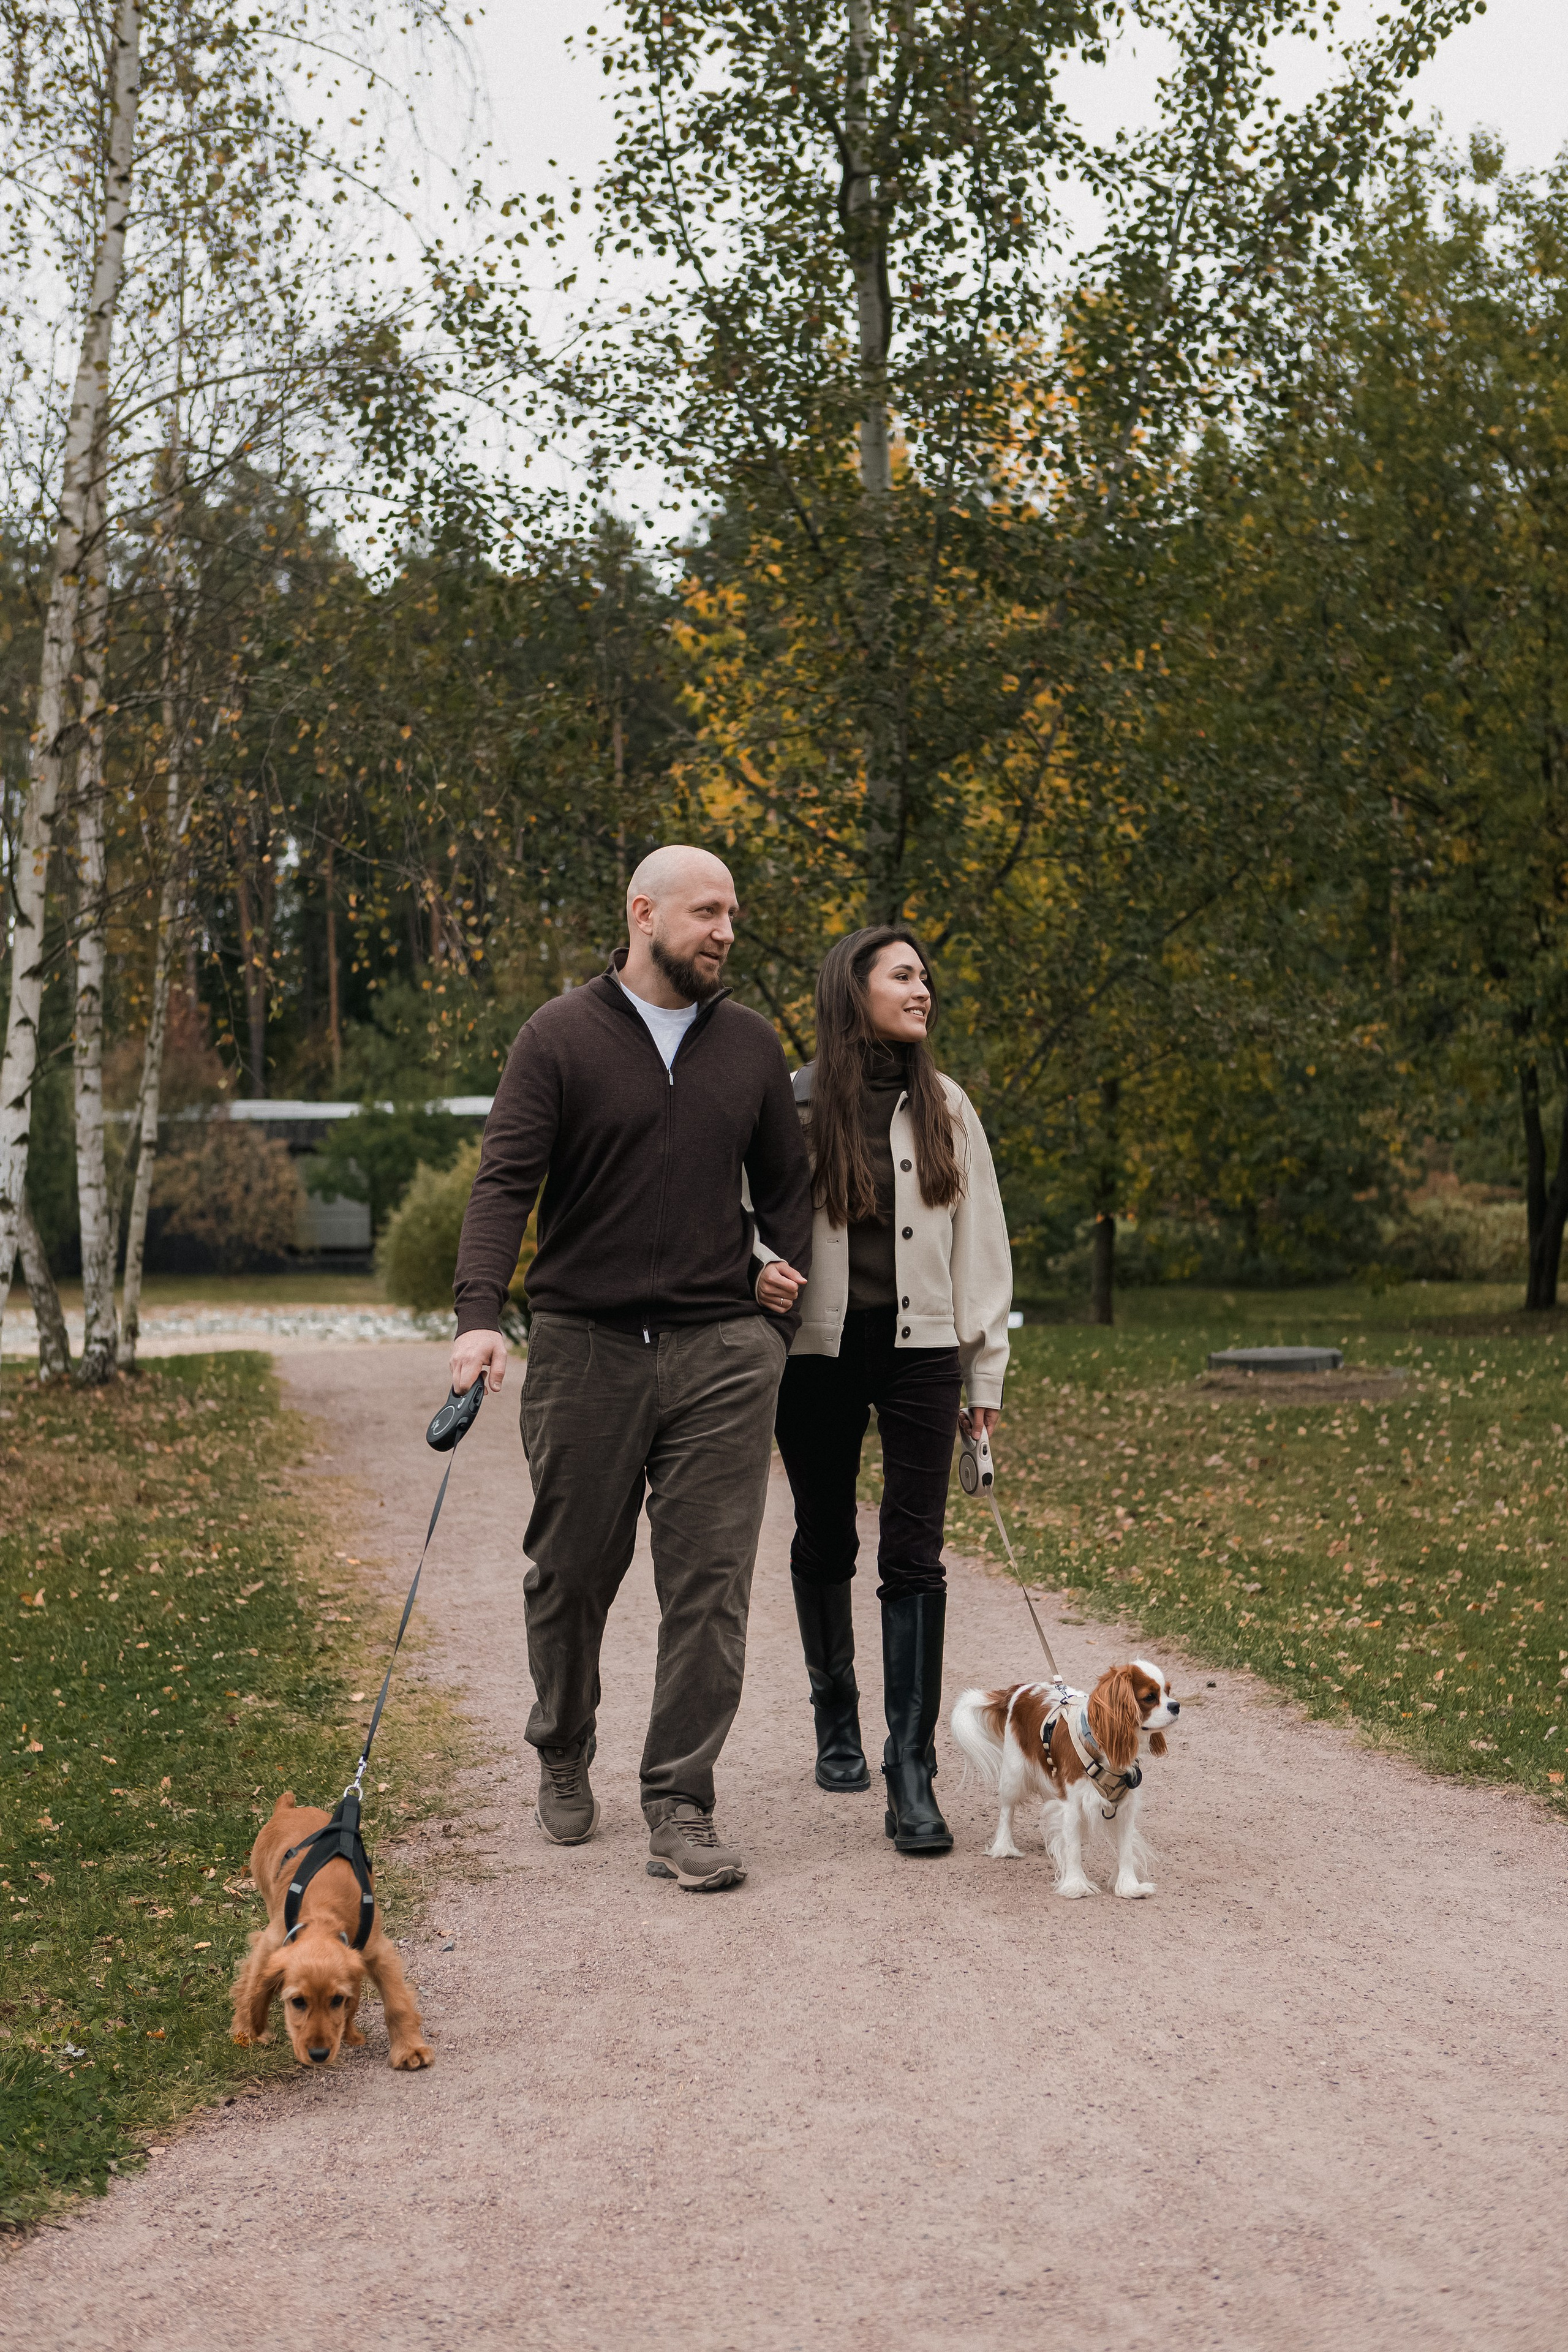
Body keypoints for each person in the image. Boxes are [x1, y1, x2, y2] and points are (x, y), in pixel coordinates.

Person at [449, 846, 813, 1893]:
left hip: (720, 1352)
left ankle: (680, 1801)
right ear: (643, 912)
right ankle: (563, 1743)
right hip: (584, 1348)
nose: (726, 931)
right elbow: (502, 1185)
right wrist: (481, 1317)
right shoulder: (559, 1037)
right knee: (569, 1575)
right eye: (707, 912)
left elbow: (787, 1187)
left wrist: (774, 1302)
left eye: (734, 913)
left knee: (710, 1586)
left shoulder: (748, 1045)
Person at [754, 928, 1011, 1855]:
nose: (924, 989)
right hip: (815, 1353)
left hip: (920, 1351)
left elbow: (982, 1247)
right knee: (825, 1536)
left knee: (915, 1555)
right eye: (903, 975)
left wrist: (984, 1375)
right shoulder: (787, 1104)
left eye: (927, 977)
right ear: (851, 989)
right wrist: (757, 1270)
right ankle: (837, 1718)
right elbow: (741, 1217)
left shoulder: (945, 1105)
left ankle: (911, 1770)